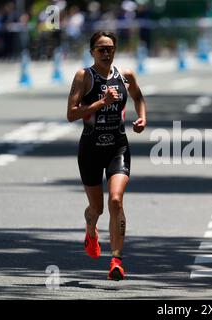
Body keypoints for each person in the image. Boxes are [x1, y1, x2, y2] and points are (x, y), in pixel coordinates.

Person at [67, 31, 147, 280]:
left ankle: (116, 260)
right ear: (92, 51)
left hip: (117, 147)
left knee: (115, 200)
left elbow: (138, 97)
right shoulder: (84, 76)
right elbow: (71, 113)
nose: (106, 53)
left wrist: (142, 117)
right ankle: (90, 229)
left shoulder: (126, 76)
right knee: (97, 208)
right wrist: (101, 103)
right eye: (101, 49)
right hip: (90, 149)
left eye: (110, 48)